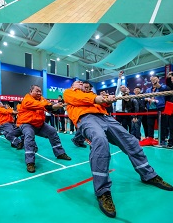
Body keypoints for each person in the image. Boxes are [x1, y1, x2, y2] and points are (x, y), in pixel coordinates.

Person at [64, 80, 172, 218]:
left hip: (105, 117)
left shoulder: (91, 94)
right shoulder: (69, 93)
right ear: (72, 86)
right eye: (77, 82)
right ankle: (102, 191)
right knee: (100, 141)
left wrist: (108, 101)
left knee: (131, 141)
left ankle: (149, 175)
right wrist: (97, 98)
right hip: (86, 118)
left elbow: (103, 104)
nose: (80, 83)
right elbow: (80, 99)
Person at [17, 85, 71, 173]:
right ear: (31, 91)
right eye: (37, 91)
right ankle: (30, 162)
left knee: (52, 131)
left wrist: (56, 106)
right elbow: (42, 106)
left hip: (40, 124)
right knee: (29, 135)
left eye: (40, 91)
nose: (39, 93)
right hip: (27, 124)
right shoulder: (27, 99)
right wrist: (52, 106)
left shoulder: (42, 99)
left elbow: (48, 105)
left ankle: (60, 153)